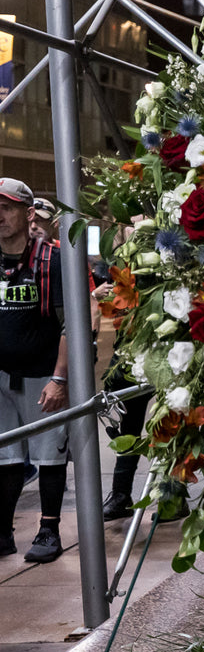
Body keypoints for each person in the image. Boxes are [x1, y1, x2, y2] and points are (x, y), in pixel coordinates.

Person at [0, 178, 70, 562]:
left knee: (49, 456)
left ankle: (48, 531)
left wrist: (60, 378)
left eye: (7, 207)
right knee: (5, 457)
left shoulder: (52, 261)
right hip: (0, 377)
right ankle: (3, 532)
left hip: (43, 374)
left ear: (28, 214)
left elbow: (72, 323)